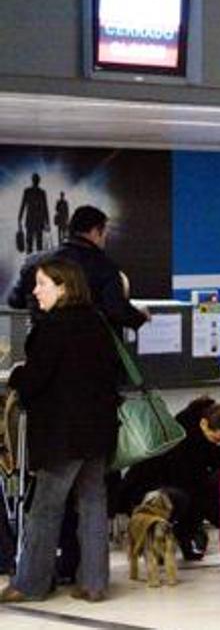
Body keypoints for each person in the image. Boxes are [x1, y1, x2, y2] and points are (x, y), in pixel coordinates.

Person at [0, 258, 120, 604]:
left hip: (62, 436)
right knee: (93, 503)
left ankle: (30, 584)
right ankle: (94, 583)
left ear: (63, 287)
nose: (35, 291)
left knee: (45, 508)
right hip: (97, 431)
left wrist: (18, 376)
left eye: (42, 284)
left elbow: (36, 381)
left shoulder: (51, 328)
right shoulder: (97, 323)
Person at [118, 398, 220, 561]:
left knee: (198, 493)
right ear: (203, 423)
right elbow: (190, 482)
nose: (219, 443)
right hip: (145, 491)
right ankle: (158, 542)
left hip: (171, 486)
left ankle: (183, 539)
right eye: (217, 439)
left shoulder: (202, 435)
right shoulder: (181, 437)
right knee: (187, 497)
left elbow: (215, 466)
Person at [8, 205, 149, 333]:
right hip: (90, 351)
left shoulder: (34, 262)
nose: (105, 238)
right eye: (104, 233)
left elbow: (15, 301)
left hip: (43, 349)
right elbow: (117, 310)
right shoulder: (105, 267)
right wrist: (140, 317)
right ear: (95, 231)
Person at [17, 173, 50, 254]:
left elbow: (23, 205)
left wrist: (19, 219)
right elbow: (45, 208)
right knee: (35, 244)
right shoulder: (39, 192)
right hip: (36, 221)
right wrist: (47, 222)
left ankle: (32, 263)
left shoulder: (30, 191)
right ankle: (34, 263)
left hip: (33, 221)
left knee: (33, 244)